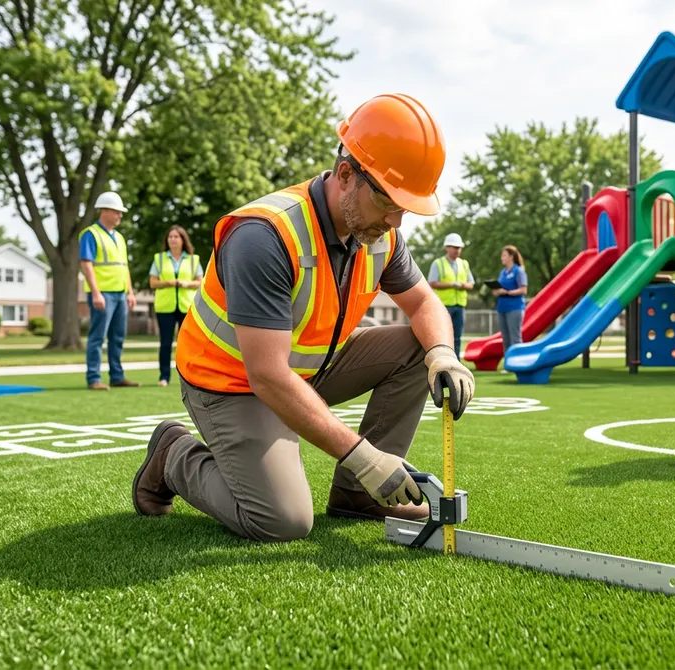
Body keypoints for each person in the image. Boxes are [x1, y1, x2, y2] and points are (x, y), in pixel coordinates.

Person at [130, 93, 477, 542]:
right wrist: (362, 454)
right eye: (388, 201)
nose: (395, 220)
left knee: (422, 345)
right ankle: (172, 454)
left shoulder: (379, 233)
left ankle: (359, 495)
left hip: (306, 367)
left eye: (405, 207)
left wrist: (444, 354)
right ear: (347, 175)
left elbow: (426, 304)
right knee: (284, 519)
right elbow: (269, 377)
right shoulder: (265, 235)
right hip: (230, 382)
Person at [79, 191, 139, 390]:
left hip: (120, 294)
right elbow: (86, 264)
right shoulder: (90, 234)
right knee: (98, 337)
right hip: (103, 294)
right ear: (103, 210)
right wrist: (96, 293)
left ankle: (117, 376)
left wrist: (130, 292)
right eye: (116, 212)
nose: (120, 216)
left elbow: (123, 266)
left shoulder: (120, 238)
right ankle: (94, 378)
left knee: (118, 337)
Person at [148, 226, 203, 387]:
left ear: (182, 240)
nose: (172, 239)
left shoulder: (193, 259)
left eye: (176, 237)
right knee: (165, 343)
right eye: (170, 237)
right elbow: (152, 282)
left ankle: (189, 377)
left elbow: (200, 282)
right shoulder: (159, 259)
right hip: (165, 307)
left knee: (187, 344)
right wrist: (168, 283)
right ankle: (164, 376)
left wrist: (186, 284)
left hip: (187, 307)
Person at [427, 233, 473, 357]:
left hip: (460, 305)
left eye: (459, 248)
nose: (457, 250)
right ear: (447, 247)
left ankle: (456, 363)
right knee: (443, 337)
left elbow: (471, 284)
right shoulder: (438, 263)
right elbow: (432, 282)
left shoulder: (464, 264)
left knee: (457, 337)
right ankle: (443, 361)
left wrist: (461, 285)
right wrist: (452, 284)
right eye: (454, 247)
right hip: (444, 306)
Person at [493, 245, 528, 355]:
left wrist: (507, 292)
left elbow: (523, 290)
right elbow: (499, 288)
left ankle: (518, 363)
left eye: (504, 255)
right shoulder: (503, 272)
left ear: (511, 257)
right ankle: (508, 364)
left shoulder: (518, 271)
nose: (501, 258)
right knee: (506, 339)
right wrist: (497, 291)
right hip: (502, 308)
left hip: (515, 308)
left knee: (515, 338)